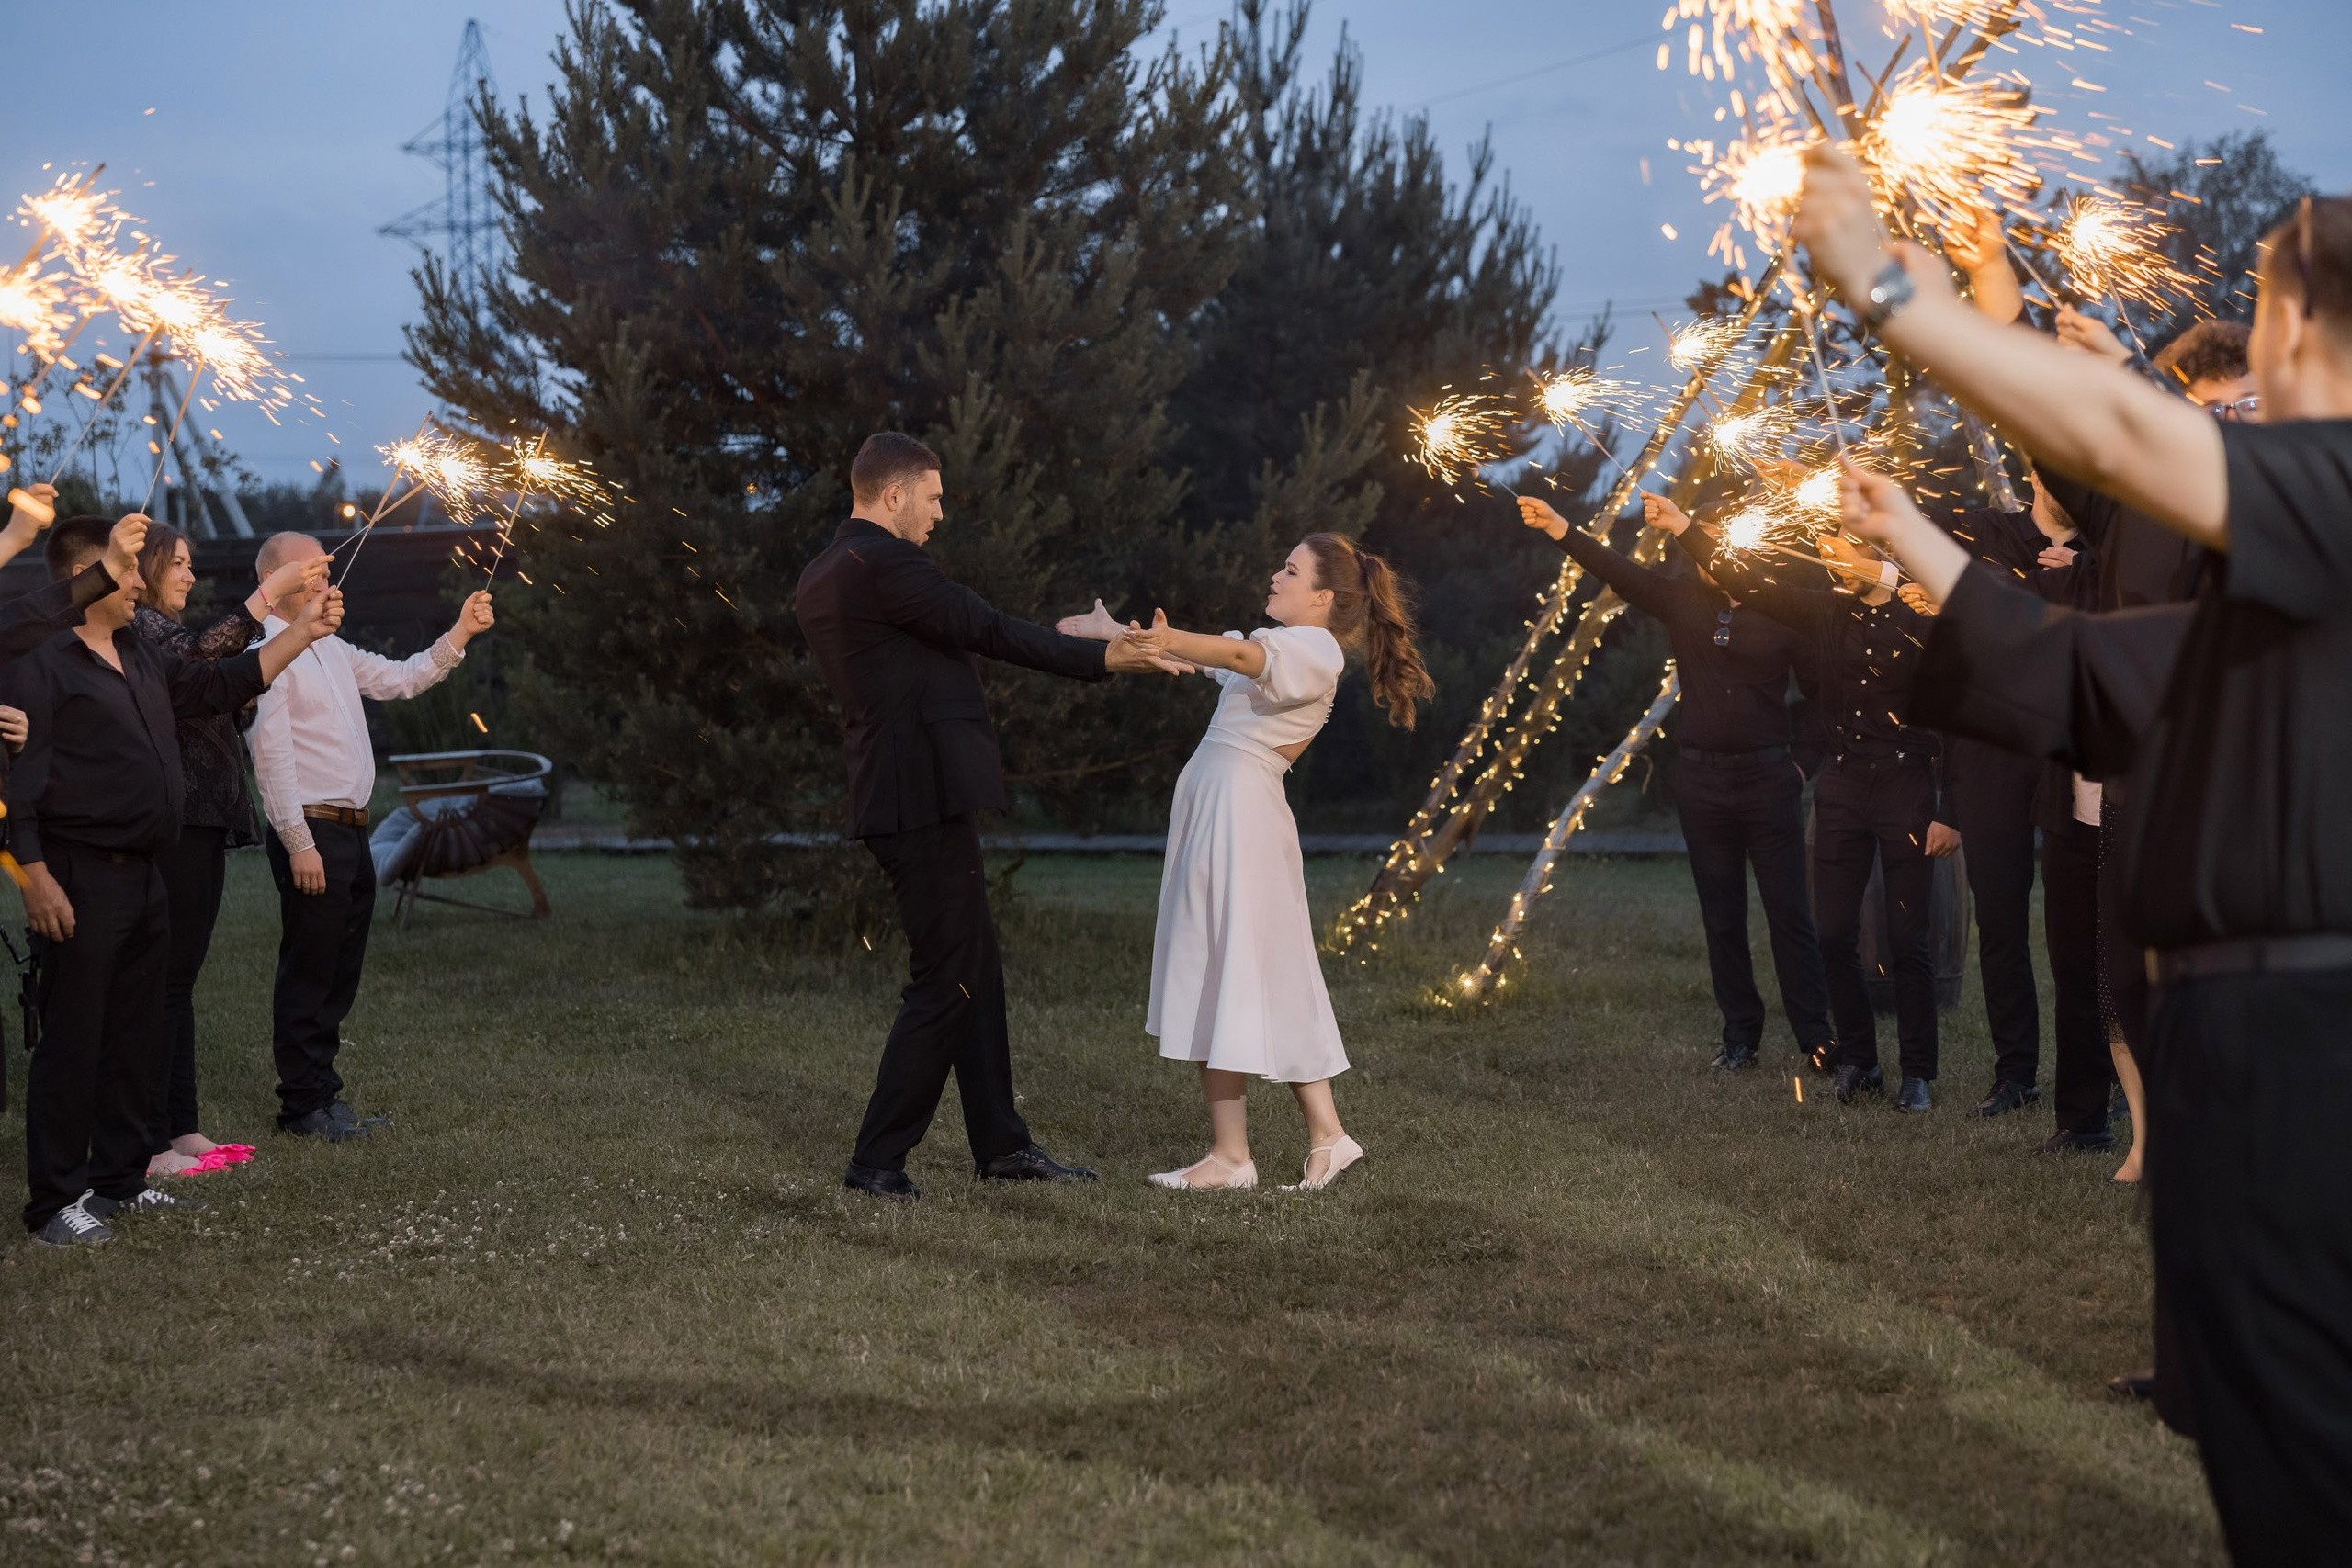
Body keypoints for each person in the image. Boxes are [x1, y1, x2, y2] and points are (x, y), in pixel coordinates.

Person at [1798, 153, 2352, 1562]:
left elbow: (2117, 436)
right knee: (2263, 1449)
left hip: (2311, 1040)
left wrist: (1886, 284)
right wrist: (1910, 533)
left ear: (2292, 329)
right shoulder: (2281, 569)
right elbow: (2085, 666)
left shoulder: (2340, 484)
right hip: (2238, 1040)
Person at [795, 433, 1185, 1201]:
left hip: (907, 792)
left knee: (977, 969)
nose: (940, 515)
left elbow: (956, 636)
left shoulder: (827, 570)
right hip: (917, 795)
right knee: (948, 978)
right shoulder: (884, 563)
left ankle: (1002, 1146)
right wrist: (1108, 658)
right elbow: (985, 626)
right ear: (894, 495)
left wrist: (1081, 633)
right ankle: (877, 1160)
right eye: (934, 498)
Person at [9, 513, 343, 1247]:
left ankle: (123, 1180)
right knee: (75, 1038)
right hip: (78, 871)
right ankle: (54, 1202)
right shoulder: (42, 661)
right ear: (81, 576)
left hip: (147, 872)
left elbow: (220, 682)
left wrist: (304, 633)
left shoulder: (137, 649)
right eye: (127, 568)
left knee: (135, 1032)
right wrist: (33, 873)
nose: (139, 582)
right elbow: (20, 782)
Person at [1060, 534, 1431, 1190]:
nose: (1274, 575)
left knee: (1250, 966)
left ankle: (1304, 1142)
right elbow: (1210, 660)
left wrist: (1170, 638)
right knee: (1222, 967)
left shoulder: (1311, 650)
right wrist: (1112, 630)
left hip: (1242, 817)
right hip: (1220, 812)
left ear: (1323, 595)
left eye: (1290, 570)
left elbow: (1231, 653)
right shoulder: (1279, 650)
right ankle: (1254, 1151)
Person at [1515, 493, 1834, 1075]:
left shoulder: (1785, 610)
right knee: (1722, 914)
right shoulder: (1684, 599)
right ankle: (1741, 1035)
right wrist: (1562, 528)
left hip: (1769, 781)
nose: (1706, 558)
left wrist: (1800, 766)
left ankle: (1816, 1036)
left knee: (1790, 913)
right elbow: (1621, 572)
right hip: (1703, 781)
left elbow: (1822, 702)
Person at [1670, 507, 1960, 1111]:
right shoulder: (1827, 608)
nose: (1827, 562)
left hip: (1905, 784)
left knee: (1908, 939)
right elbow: (1742, 578)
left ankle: (1918, 1072)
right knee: (1831, 932)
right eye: (1822, 552)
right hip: (1843, 786)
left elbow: (1959, 713)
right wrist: (1683, 527)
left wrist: (1951, 806)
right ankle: (1859, 1059)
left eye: (1837, 552)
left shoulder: (1921, 613)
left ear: (1873, 552)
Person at [244, 533, 496, 1141]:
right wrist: (298, 840)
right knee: (309, 967)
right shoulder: (266, 655)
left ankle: (324, 1095)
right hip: (312, 833)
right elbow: (269, 754)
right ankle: (302, 1106)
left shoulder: (329, 648)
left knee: (339, 969)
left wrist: (459, 631)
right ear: (278, 578)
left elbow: (403, 678)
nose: (327, 570)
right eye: (313, 564)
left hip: (351, 830)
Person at [131, 525, 329, 1177]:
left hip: (207, 822)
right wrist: (268, 598)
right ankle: (149, 1140)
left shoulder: (168, 635)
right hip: (177, 821)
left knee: (179, 982)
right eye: (179, 563)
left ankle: (181, 1126)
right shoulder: (143, 631)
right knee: (160, 982)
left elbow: (227, 687)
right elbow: (201, 660)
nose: (189, 574)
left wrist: (297, 632)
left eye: (192, 562)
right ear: (147, 567)